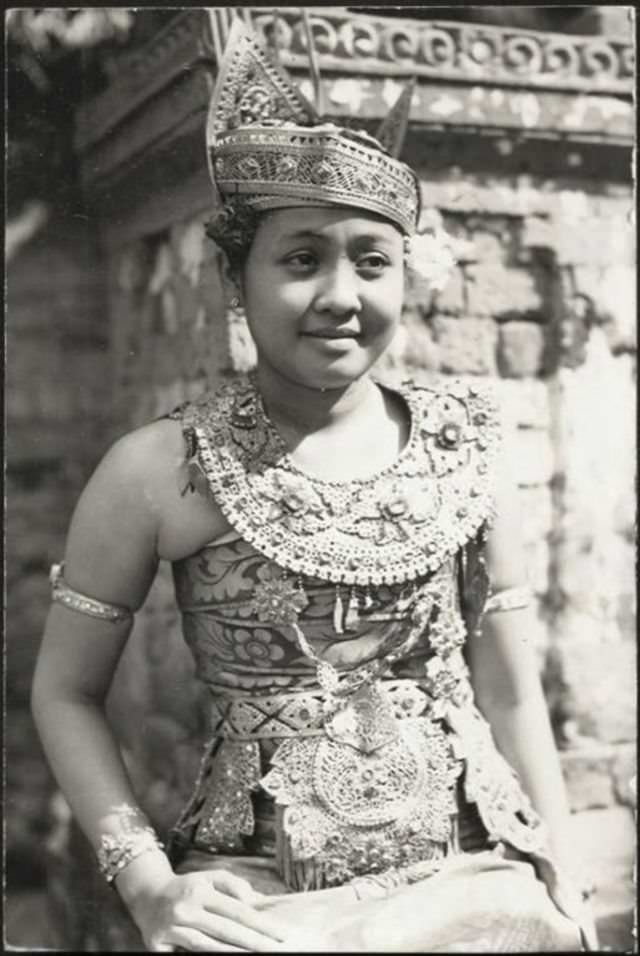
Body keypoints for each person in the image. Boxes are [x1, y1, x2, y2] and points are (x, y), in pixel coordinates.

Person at [32, 18, 597, 953]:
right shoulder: (155, 470)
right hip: (261, 886)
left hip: (472, 867)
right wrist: (147, 884)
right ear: (234, 275)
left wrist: (565, 863)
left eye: (373, 262)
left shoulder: (465, 446)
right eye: (302, 259)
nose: (342, 295)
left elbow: (511, 690)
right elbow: (65, 692)